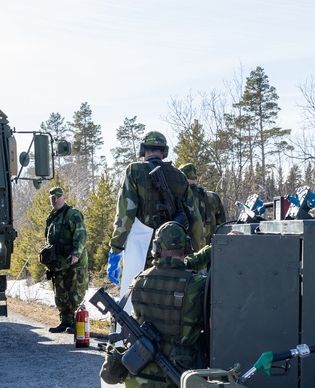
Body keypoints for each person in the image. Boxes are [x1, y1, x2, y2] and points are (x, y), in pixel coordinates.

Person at [123, 221, 209, 388]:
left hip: (142, 373)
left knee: (135, 383)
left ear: (156, 248)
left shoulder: (140, 281)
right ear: (187, 247)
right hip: (181, 373)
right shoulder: (197, 284)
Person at [107, 131, 206, 284]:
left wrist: (116, 248)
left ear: (143, 149)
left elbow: (125, 215)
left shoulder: (134, 171)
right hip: (175, 252)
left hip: (144, 251)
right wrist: (199, 256)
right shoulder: (180, 177)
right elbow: (195, 220)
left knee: (140, 297)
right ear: (164, 151)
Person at [42, 187, 88, 333]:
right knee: (60, 293)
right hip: (58, 262)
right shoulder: (51, 217)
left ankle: (77, 322)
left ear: (63, 197)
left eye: (57, 197)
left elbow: (81, 236)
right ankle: (65, 321)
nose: (55, 200)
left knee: (75, 292)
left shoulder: (73, 214)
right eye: (52, 198)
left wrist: (75, 254)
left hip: (74, 261)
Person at [179, 163, 227, 246]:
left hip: (188, 254)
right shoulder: (213, 197)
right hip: (211, 252)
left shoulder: (180, 198)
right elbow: (222, 227)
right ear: (196, 179)